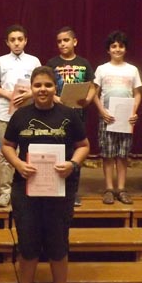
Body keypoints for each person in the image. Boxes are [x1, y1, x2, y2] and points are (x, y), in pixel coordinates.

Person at [2, 66, 89, 283]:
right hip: (26, 188)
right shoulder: (21, 115)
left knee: (58, 244)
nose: (42, 90)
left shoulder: (69, 114)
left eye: (48, 85)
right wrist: (18, 164)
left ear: (56, 87)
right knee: (28, 244)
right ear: (31, 87)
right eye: (38, 85)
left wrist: (72, 164)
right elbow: (7, 146)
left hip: (60, 188)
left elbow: (83, 146)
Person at [0, 24, 41, 207]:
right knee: (6, 153)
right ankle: (6, 191)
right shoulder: (1, 61)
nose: (17, 43)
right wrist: (8, 94)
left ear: (25, 40)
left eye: (20, 39)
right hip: (5, 112)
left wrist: (28, 95)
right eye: (13, 40)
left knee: (27, 152)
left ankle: (26, 190)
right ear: (7, 42)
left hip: (29, 113)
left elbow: (40, 84)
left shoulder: (34, 61)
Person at [45, 26, 95, 206]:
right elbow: (47, 85)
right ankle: (54, 187)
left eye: (66, 40)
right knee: (58, 149)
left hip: (78, 114)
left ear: (75, 41)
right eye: (59, 41)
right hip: (57, 113)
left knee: (75, 152)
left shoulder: (84, 63)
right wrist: (56, 98)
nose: (62, 44)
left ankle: (73, 192)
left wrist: (87, 100)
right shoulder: (52, 63)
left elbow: (92, 86)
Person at [93, 31, 142, 205]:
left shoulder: (132, 70)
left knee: (122, 155)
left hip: (126, 119)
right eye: (113, 46)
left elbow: (137, 93)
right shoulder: (102, 69)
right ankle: (109, 189)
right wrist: (102, 112)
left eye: (121, 46)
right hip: (107, 118)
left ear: (125, 49)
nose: (117, 49)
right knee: (108, 155)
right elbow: (94, 94)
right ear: (108, 49)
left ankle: (121, 189)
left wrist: (133, 112)